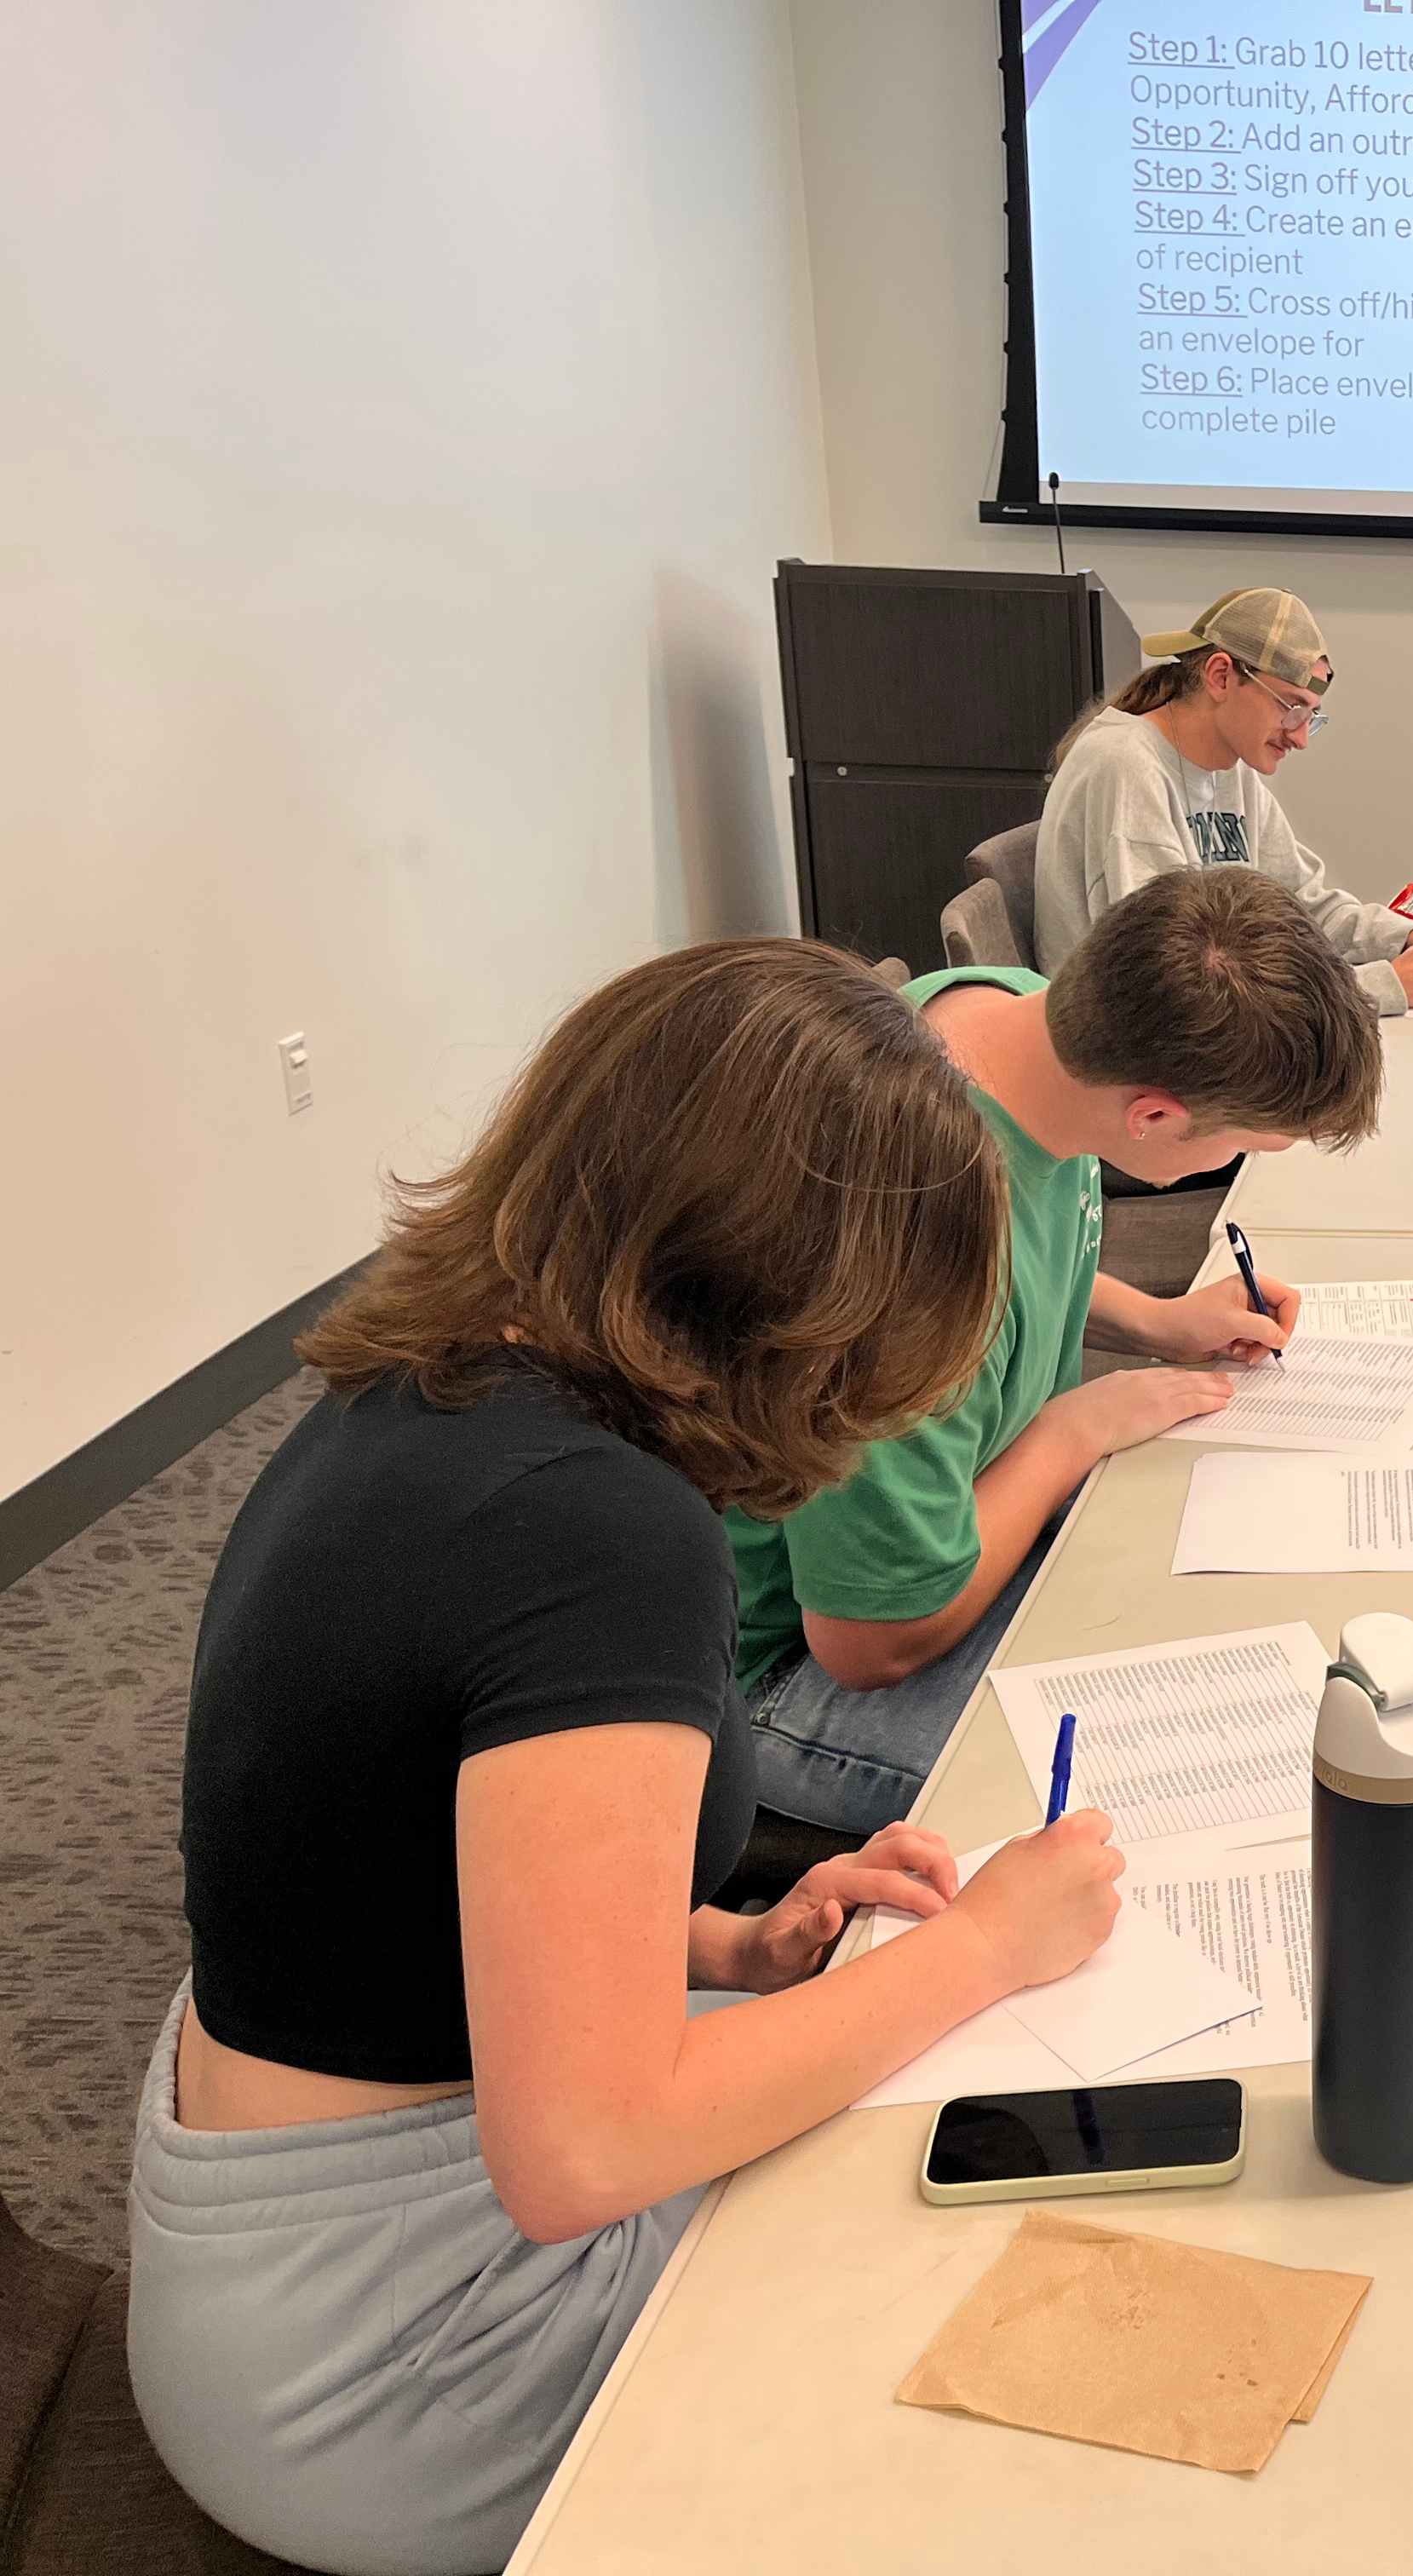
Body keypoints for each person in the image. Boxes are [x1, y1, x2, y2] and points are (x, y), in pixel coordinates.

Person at [131, 940, 1138, 2575]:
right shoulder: (609, 1537)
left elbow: (388, 1864)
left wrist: (722, 1946)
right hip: (378, 2354)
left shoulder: (419, 1379)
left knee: (879, 2087)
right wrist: (980, 1946)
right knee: (1005, 2273)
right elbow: (581, 2151)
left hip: (264, 2222)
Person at [732, 867, 1385, 1838]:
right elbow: (872, 1642)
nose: (1230, 1166)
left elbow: (1025, 1259)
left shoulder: (1019, 1019)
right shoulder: (908, 1244)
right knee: (1239, 1795)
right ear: (1156, 1117)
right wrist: (1068, 1434)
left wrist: (1154, 1322)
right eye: (1244, 1148)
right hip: (778, 1682)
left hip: (952, 1525)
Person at [1032, 584, 1413, 1015]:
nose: (1301, 737)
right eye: (1291, 707)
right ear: (1220, 676)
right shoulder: (1125, 766)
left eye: (1310, 715)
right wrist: (1383, 987)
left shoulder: (1231, 770)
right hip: (1129, 1052)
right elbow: (1175, 982)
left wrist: (1405, 939)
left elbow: (1300, 905)